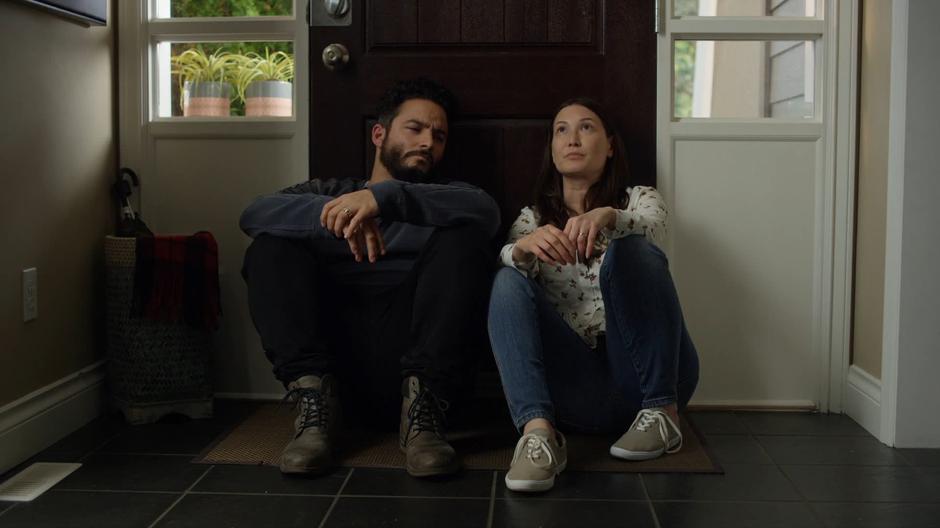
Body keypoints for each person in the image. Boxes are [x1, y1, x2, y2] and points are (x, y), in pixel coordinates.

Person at [239, 78, 500, 478]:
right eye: (415, 128)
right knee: (269, 248)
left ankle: (422, 417)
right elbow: (254, 214)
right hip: (339, 369)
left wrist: (384, 199)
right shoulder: (328, 191)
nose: (429, 142)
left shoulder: (446, 198)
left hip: (421, 372)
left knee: (467, 241)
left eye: (439, 135)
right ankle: (314, 411)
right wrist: (342, 212)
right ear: (379, 133)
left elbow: (485, 211)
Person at [487, 98, 700, 492]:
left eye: (586, 127)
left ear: (611, 144)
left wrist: (609, 217)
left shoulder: (640, 199)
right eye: (561, 130)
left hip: (653, 374)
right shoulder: (531, 218)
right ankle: (538, 434)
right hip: (576, 389)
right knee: (506, 279)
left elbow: (656, 233)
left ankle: (662, 416)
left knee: (632, 247)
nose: (572, 139)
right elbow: (509, 279)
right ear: (551, 150)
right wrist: (522, 249)